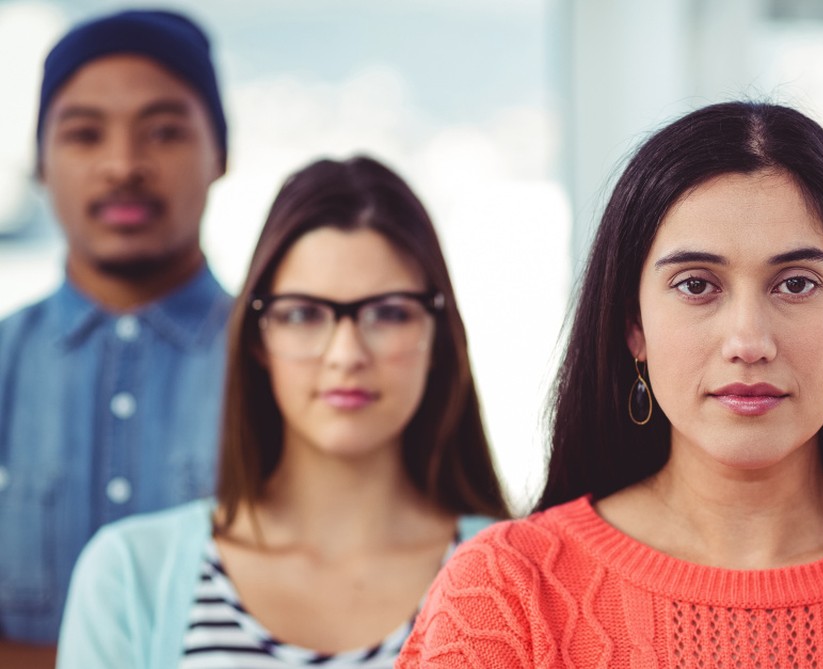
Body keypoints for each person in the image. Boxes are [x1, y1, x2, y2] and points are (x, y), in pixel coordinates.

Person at [396, 102, 823, 668]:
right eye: (697, 286)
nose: (749, 340)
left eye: (796, 284)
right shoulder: (507, 591)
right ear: (633, 325)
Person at [56, 155, 510, 668]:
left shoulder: (519, 572)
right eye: (303, 314)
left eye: (389, 313)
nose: (346, 354)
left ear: (438, 337)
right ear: (257, 339)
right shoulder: (130, 573)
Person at [0, 9, 231, 663]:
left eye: (163, 131)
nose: (123, 164)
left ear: (221, 152)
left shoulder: (291, 366)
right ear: (40, 162)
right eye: (84, 134)